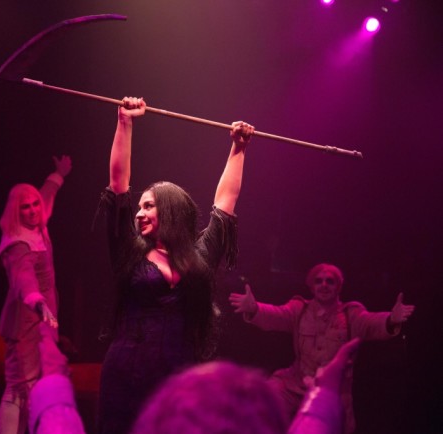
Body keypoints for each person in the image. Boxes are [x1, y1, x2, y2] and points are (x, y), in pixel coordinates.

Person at [98, 96, 254, 434]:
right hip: (127, 371)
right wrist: (125, 123)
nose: (139, 213)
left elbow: (225, 203)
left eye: (149, 206)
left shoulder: (198, 257)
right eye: (139, 207)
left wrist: (238, 148)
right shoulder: (130, 251)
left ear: (171, 211)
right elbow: (118, 184)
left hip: (178, 373)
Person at [229, 263, 415, 434]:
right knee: (264, 400)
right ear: (312, 286)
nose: (324, 285)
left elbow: (373, 323)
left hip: (333, 389)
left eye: (330, 281)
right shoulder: (299, 309)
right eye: (319, 281)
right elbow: (276, 315)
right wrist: (254, 309)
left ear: (338, 287)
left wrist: (392, 319)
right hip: (296, 383)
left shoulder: (351, 315)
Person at [130, 337, 362, 434]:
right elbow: (314, 426)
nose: (324, 285)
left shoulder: (347, 313)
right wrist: (325, 391)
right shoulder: (300, 310)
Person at [0, 155, 72, 434]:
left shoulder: (37, 224)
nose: (32, 210)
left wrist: (58, 175)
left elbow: (45, 196)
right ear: (17, 212)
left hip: (42, 320)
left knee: (36, 383)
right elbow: (23, 280)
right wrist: (39, 303)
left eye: (34, 206)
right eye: (25, 208)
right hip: (25, 320)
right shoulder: (18, 243)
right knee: (19, 387)